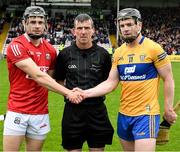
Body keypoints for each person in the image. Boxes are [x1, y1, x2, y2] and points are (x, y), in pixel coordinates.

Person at [75, 8, 177, 151]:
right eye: (122, 26)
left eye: (129, 25)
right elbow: (110, 83)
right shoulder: (119, 53)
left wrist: (168, 107)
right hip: (124, 115)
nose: (125, 29)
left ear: (139, 25)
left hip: (146, 115)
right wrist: (85, 93)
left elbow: (168, 78)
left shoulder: (154, 49)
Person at [4, 6, 83, 151]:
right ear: (24, 23)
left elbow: (51, 81)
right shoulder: (16, 46)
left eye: (40, 22)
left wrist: (78, 89)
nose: (37, 26)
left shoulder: (51, 51)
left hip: (40, 113)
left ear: (46, 25)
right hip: (17, 110)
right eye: (32, 22)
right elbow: (39, 76)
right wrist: (69, 93)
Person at [53, 14, 114, 151]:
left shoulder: (103, 54)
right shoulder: (64, 54)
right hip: (72, 112)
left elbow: (109, 83)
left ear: (93, 30)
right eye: (79, 28)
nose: (83, 31)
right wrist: (70, 94)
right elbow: (59, 81)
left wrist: (88, 93)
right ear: (73, 31)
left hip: (97, 111)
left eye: (87, 27)